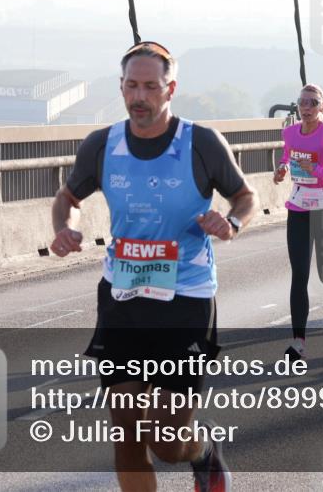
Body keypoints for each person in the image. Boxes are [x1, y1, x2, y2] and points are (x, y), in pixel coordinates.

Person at [49, 41, 257, 492]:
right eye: (131, 86)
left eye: (150, 86)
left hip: (185, 299)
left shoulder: (201, 143)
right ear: (121, 87)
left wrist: (231, 222)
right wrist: (65, 228)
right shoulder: (102, 144)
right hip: (123, 296)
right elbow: (68, 198)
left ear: (170, 89)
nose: (138, 97)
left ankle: (201, 450)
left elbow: (245, 196)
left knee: (164, 439)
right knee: (126, 429)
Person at [273, 84, 323, 360]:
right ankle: (298, 342)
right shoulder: (289, 133)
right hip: (298, 206)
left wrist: (318, 170)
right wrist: (283, 168)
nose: (306, 107)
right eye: (302, 102)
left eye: (312, 102)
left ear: (322, 107)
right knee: (299, 275)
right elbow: (288, 155)